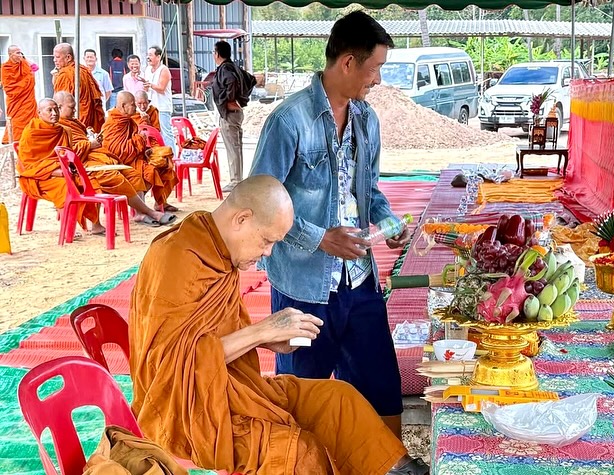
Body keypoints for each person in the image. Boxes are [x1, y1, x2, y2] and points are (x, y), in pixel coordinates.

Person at [129, 175, 429, 475]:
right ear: (242, 219)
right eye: (267, 240)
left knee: (340, 400)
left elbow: (208, 336)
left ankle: (399, 470)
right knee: (296, 453)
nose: (269, 252)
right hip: (188, 411)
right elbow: (169, 370)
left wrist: (264, 341)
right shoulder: (178, 257)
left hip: (235, 387)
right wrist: (260, 331)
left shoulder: (216, 244)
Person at [250, 11, 410, 439]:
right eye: (374, 68)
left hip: (359, 283)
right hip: (304, 288)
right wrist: (321, 239)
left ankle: (387, 466)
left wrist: (388, 221)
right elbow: (259, 204)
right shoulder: (289, 121)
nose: (376, 80)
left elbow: (368, 191)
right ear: (347, 64)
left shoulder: (367, 120)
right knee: (304, 401)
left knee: (381, 393)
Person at [54, 90, 173, 226]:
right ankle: (150, 212)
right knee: (115, 177)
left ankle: (140, 213)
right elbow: (65, 153)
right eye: (71, 107)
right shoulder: (58, 127)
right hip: (84, 165)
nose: (75, 110)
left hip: (102, 158)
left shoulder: (74, 123)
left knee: (134, 174)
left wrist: (91, 139)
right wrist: (89, 144)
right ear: (59, 107)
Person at [17, 98, 105, 235]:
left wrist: (66, 169)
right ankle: (67, 228)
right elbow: (28, 165)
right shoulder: (31, 132)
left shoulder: (64, 130)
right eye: (49, 110)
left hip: (62, 171)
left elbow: (68, 155)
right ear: (39, 113)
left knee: (92, 183)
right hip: (38, 176)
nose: (54, 113)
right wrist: (54, 171)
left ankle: (96, 224)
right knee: (64, 187)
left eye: (56, 109)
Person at [101, 91, 178, 219]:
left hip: (134, 158)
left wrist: (145, 149)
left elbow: (152, 135)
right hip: (120, 163)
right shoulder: (113, 123)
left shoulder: (129, 120)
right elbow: (117, 151)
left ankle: (158, 203)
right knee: (143, 173)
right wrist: (139, 139)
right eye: (134, 105)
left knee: (163, 166)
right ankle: (140, 211)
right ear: (123, 105)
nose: (137, 108)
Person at [212, 40, 253, 193]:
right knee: (235, 147)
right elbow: (251, 79)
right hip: (233, 113)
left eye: (213, 52)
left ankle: (236, 180)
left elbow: (232, 81)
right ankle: (237, 179)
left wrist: (230, 100)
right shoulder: (233, 67)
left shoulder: (226, 69)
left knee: (233, 148)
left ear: (217, 53)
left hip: (230, 113)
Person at [53, 43, 105, 132]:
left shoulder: (66, 75)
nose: (54, 60)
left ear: (68, 57)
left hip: (76, 120)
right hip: (89, 119)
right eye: (54, 57)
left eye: (57, 57)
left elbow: (62, 104)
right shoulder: (83, 70)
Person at [1, 45, 38, 143]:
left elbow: (35, 67)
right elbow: (9, 88)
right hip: (15, 101)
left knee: (30, 123)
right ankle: (14, 139)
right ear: (10, 54)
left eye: (20, 52)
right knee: (15, 121)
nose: (20, 55)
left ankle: (30, 139)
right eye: (17, 53)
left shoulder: (24, 63)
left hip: (28, 100)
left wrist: (26, 60)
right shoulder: (5, 67)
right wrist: (29, 78)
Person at [141, 46, 174, 148]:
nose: (148, 57)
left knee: (166, 134)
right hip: (151, 107)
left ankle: (171, 156)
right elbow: (147, 89)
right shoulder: (147, 69)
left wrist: (150, 84)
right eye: (148, 55)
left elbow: (161, 88)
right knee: (152, 133)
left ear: (158, 57)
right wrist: (145, 86)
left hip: (162, 107)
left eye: (150, 55)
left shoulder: (164, 70)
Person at [83, 49, 114, 113]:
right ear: (84, 58)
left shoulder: (103, 73)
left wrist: (101, 101)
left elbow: (108, 91)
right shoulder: (80, 73)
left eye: (91, 57)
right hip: (85, 107)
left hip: (99, 107)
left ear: (96, 59)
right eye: (87, 57)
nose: (89, 59)